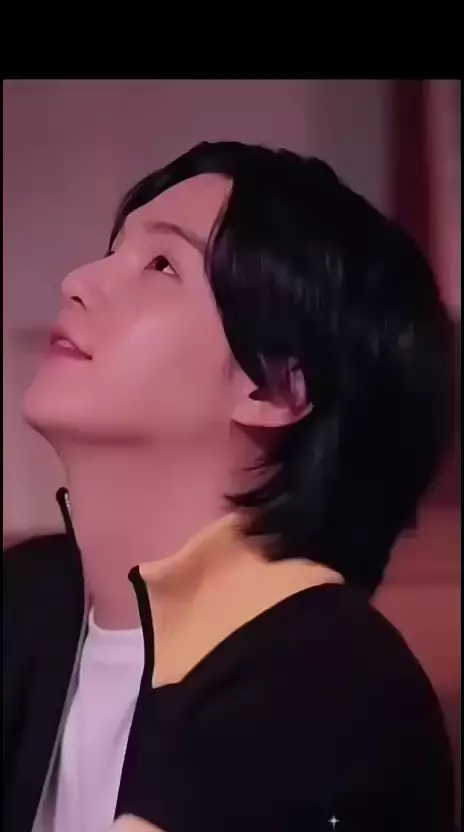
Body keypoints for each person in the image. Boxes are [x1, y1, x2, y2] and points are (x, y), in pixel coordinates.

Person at [3, 141, 456, 832]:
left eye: (161, 265)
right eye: (113, 250)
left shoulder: (330, 688)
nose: (77, 280)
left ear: (275, 386)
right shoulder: (26, 600)